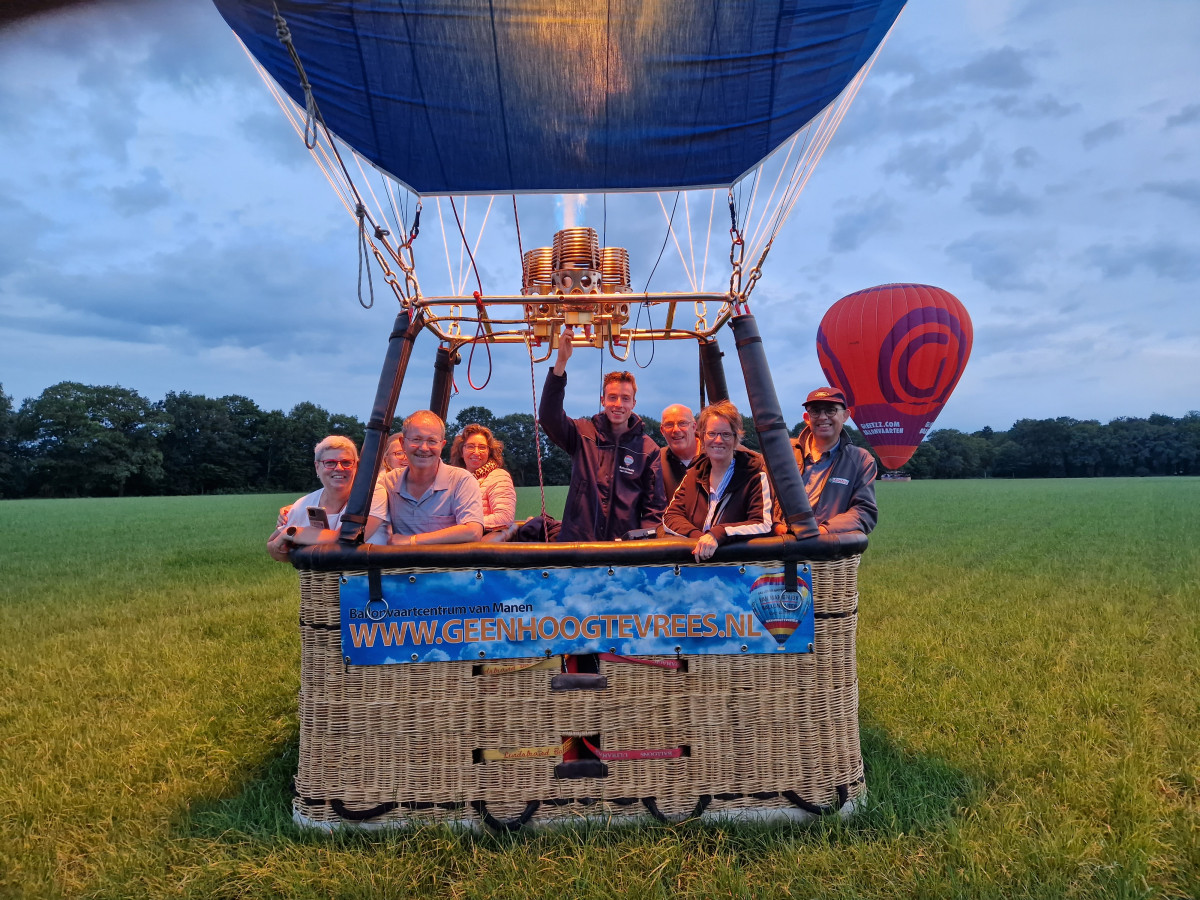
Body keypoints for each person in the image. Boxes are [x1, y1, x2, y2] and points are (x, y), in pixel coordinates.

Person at [538, 326, 665, 542]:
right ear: (602, 400)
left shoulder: (648, 450)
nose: (618, 404)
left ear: (634, 403)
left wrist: (640, 547)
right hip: (577, 544)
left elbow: (654, 508)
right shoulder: (582, 434)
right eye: (612, 397)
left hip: (622, 549)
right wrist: (561, 362)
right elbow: (549, 416)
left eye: (625, 398)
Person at [661, 400, 774, 560]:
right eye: (712, 434)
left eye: (725, 434)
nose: (718, 440)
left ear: (736, 438)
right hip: (697, 564)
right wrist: (699, 538)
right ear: (702, 437)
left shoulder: (754, 476)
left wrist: (718, 534)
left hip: (737, 566)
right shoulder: (694, 475)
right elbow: (671, 516)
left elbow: (762, 523)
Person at [366, 410, 484, 545]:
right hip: (401, 559)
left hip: (446, 560)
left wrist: (412, 540)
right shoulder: (389, 482)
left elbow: (473, 531)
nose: (424, 448)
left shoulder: (461, 480)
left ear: (442, 445)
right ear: (403, 443)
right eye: (416, 439)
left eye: (432, 441)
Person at [790, 386, 878, 534]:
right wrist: (777, 526)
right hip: (781, 542)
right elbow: (764, 498)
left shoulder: (861, 460)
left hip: (828, 543)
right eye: (815, 411)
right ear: (807, 418)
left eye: (831, 410)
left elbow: (864, 511)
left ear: (845, 415)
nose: (822, 417)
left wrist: (824, 530)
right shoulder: (785, 452)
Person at [267, 435, 359, 562]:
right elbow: (272, 546)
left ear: (356, 466)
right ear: (317, 467)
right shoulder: (302, 505)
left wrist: (294, 533)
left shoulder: (368, 499)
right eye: (330, 463)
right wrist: (289, 548)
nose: (339, 468)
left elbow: (347, 539)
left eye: (346, 462)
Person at [449, 423, 518, 539]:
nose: (476, 452)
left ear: (489, 452)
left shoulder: (498, 476)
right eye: (470, 446)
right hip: (454, 538)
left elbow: (504, 517)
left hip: (479, 540)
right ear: (461, 452)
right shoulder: (454, 479)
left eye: (482, 447)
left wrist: (465, 527)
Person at [658, 403, 700, 503]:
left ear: (694, 427)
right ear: (662, 431)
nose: (676, 430)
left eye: (682, 423)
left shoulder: (713, 455)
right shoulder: (657, 461)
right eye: (669, 424)